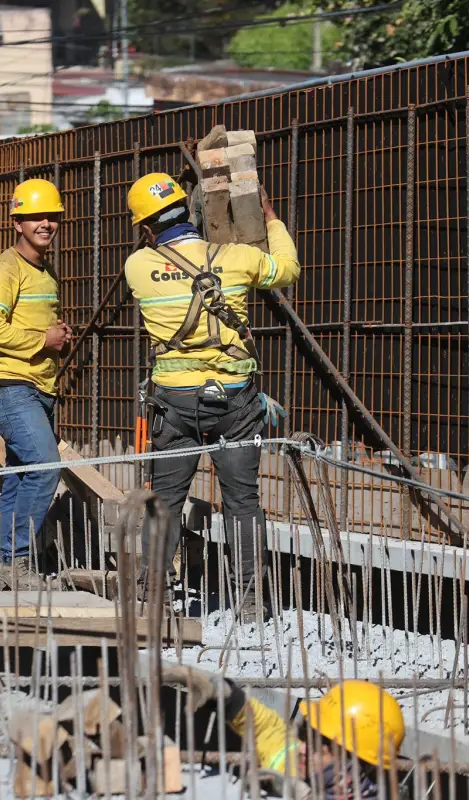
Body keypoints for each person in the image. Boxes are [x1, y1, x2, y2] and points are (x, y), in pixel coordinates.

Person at [122, 172, 300, 618]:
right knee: (242, 501)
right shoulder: (239, 258)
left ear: (147, 227)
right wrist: (271, 219)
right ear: (190, 212)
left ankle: (151, 595)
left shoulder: (137, 267)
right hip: (234, 404)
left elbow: (159, 259)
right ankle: (250, 601)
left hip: (173, 407)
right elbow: (289, 269)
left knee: (163, 501)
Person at [0, 178, 72, 590]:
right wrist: (42, 341)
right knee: (47, 467)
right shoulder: (3, 270)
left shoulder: (47, 271)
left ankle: (8, 569)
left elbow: (34, 324)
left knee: (19, 479)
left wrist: (57, 338)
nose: (46, 223)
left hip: (41, 387)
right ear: (17, 221)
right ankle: (19, 564)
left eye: (52, 216)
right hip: (13, 388)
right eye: (36, 216)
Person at [164, 665, 407, 799]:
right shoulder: (296, 761)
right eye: (306, 735)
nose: (302, 748)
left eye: (319, 744)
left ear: (354, 763)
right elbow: (266, 729)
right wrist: (225, 696)